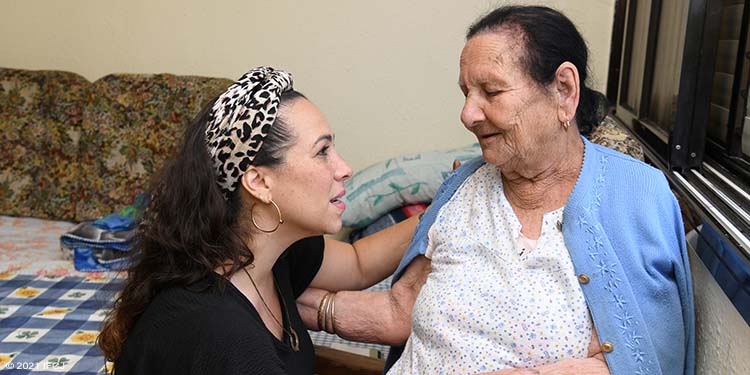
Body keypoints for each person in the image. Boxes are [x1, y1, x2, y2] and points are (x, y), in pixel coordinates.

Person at [297, 6, 694, 375]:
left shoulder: (635, 196)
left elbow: (638, 360)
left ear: (564, 90)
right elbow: (402, 307)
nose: (467, 114)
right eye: (466, 93)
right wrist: (274, 299)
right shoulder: (463, 186)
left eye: (491, 92)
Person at [97, 67, 420, 374]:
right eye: (322, 151)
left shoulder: (272, 252)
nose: (344, 168)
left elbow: (359, 263)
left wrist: (449, 205)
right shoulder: (222, 335)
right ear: (259, 183)